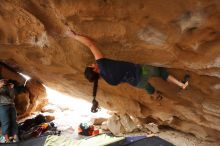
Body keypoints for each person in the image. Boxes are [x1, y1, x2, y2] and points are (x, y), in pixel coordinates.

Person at [65, 29, 189, 112]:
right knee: (161, 72)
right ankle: (181, 84)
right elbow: (91, 44)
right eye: (91, 65)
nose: (93, 63)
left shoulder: (109, 80)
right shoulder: (102, 64)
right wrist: (74, 36)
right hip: (141, 71)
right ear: (94, 69)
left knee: (148, 87)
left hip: (137, 82)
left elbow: (119, 78)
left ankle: (157, 96)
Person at [0, 78, 18, 143]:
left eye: (5, 81)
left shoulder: (7, 87)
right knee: (5, 122)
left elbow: (12, 97)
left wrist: (11, 88)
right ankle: (7, 140)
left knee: (14, 121)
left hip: (11, 105)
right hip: (2, 105)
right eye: (2, 81)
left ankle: (15, 138)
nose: (4, 82)